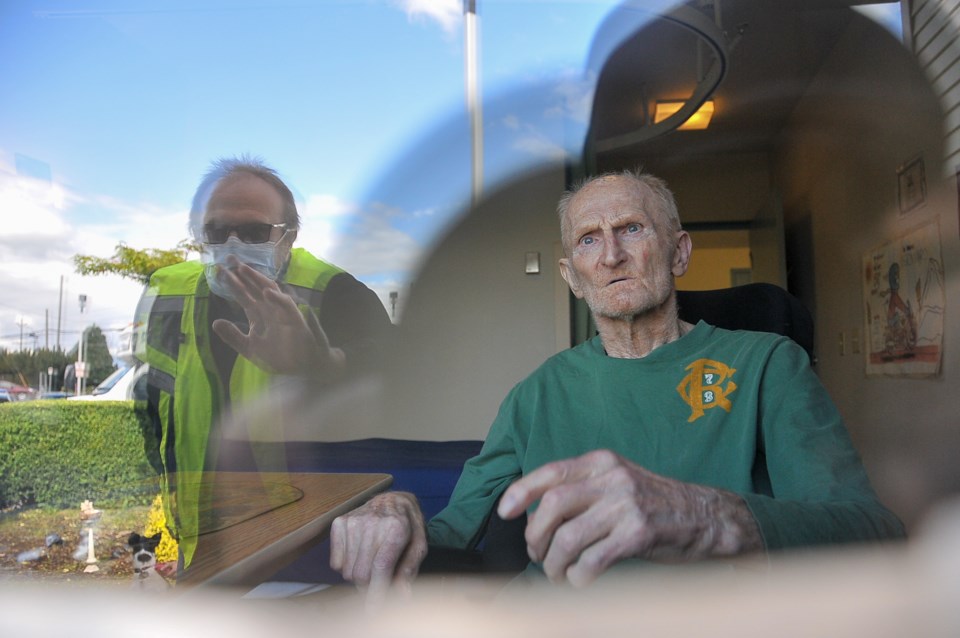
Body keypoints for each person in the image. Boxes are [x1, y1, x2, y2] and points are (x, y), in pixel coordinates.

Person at [329, 169, 905, 603]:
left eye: (631, 228)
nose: (610, 256)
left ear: (679, 252)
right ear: (571, 278)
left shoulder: (767, 363)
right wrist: (393, 511)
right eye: (587, 240)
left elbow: (871, 533)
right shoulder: (536, 394)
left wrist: (706, 516)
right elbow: (449, 531)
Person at [136, 156, 392, 569]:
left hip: (310, 542)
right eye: (218, 231)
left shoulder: (335, 291)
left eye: (254, 231)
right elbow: (152, 403)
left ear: (287, 238)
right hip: (201, 539)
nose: (233, 244)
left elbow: (396, 369)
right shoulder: (168, 294)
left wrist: (324, 364)